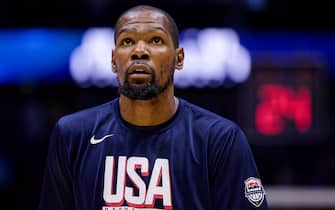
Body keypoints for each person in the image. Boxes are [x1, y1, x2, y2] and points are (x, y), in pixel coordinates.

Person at [39, 5, 268, 210]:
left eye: (156, 41)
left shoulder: (219, 140)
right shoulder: (72, 135)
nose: (139, 51)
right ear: (112, 60)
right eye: (127, 41)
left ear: (179, 58)